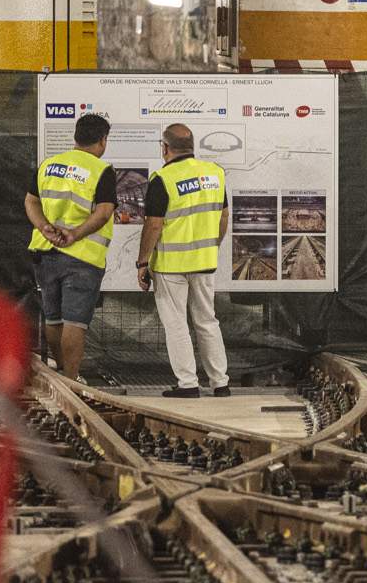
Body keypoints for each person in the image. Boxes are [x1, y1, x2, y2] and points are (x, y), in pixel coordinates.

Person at [138, 122, 231, 398]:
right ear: (192, 147)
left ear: (165, 148)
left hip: (171, 266)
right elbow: (223, 217)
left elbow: (154, 225)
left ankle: (188, 384)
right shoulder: (215, 173)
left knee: (176, 323)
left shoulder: (163, 179)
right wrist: (212, 245)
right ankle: (220, 383)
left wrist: (142, 262)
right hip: (204, 262)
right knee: (207, 321)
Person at [26, 113, 117, 378]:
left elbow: (30, 201)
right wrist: (75, 234)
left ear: (76, 136)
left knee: (53, 318)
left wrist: (44, 226)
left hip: (45, 252)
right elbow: (104, 211)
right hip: (81, 257)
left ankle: (63, 372)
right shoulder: (101, 170)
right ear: (102, 140)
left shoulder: (49, 164)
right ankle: (72, 380)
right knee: (75, 321)